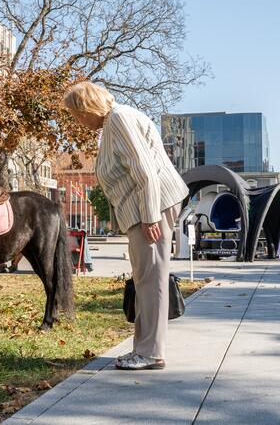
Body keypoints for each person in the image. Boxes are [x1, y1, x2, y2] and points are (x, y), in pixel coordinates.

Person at [64, 81, 188, 370]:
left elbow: (145, 169)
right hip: (147, 207)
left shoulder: (119, 119)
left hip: (152, 207)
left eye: (76, 114)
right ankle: (145, 348)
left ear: (87, 107)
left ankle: (150, 352)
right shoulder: (115, 121)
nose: (78, 122)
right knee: (146, 278)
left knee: (151, 278)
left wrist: (149, 215)